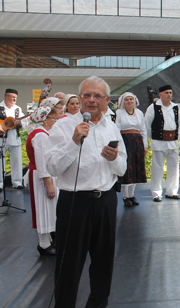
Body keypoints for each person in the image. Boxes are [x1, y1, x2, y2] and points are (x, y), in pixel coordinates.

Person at [45, 76, 127, 308]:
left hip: (106, 201)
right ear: (79, 98)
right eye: (87, 95)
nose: (92, 100)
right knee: (68, 265)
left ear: (107, 100)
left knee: (103, 264)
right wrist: (73, 142)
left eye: (97, 96)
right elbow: (52, 167)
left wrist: (114, 159)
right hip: (75, 203)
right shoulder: (63, 126)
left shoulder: (112, 126)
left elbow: (122, 168)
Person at [25, 106, 58, 256]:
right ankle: (43, 243)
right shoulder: (40, 136)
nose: (55, 121)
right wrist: (49, 184)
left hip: (41, 174)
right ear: (44, 121)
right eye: (53, 119)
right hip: (41, 176)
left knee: (47, 207)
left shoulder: (41, 133)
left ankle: (48, 240)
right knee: (43, 207)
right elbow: (41, 161)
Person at [145, 85, 180, 201]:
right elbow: (147, 124)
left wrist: (177, 137)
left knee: (174, 168)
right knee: (157, 168)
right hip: (159, 142)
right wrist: (154, 137)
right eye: (166, 93)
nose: (169, 95)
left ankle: (172, 191)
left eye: (170, 92)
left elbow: (178, 123)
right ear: (160, 95)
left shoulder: (175, 107)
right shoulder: (153, 107)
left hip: (173, 142)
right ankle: (156, 193)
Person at [116, 92, 148, 206]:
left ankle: (132, 195)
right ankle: (125, 196)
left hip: (137, 141)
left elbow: (143, 130)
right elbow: (117, 129)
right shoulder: (119, 113)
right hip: (125, 141)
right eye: (127, 100)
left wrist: (145, 145)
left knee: (135, 167)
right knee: (127, 167)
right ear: (123, 102)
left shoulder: (139, 113)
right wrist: (119, 145)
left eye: (131, 99)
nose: (129, 101)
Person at [0, 88, 28, 190]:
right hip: (2, 139)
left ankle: (17, 182)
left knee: (17, 161)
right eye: (12, 97)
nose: (14, 99)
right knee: (0, 162)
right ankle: (0, 183)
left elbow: (24, 122)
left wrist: (19, 123)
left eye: (15, 98)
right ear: (6, 96)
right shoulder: (0, 107)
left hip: (15, 138)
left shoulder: (17, 109)